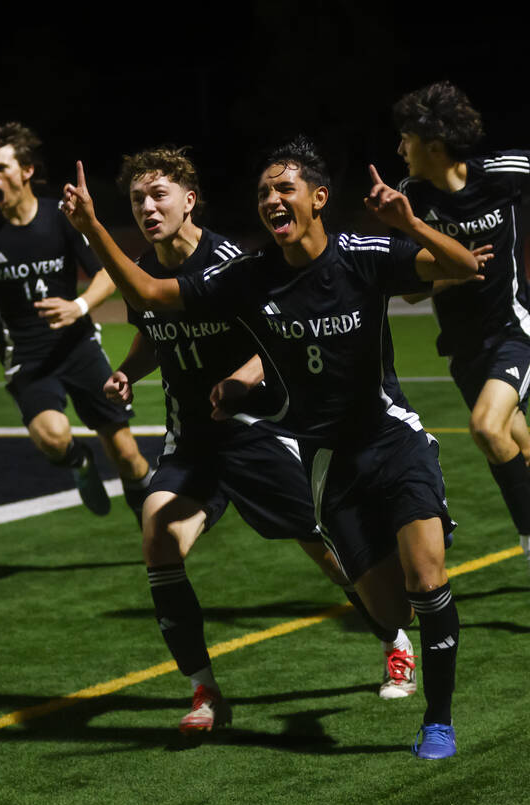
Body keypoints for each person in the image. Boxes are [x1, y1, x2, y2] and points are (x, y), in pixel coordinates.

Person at [61, 136, 479, 760]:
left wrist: (409, 223)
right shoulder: (222, 276)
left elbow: (463, 268)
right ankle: (206, 690)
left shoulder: (308, 259)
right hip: (257, 448)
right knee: (163, 536)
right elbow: (151, 308)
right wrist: (96, 237)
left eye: (284, 189)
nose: (272, 199)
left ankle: (417, 682)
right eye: (263, 192)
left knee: (386, 567)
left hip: (325, 435)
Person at [392, 80, 530, 599]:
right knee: (517, 452)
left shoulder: (498, 172)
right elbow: (407, 292)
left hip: (515, 330)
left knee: (483, 427)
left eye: (406, 138)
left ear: (433, 146)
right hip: (462, 345)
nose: (399, 148)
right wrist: (452, 273)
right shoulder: (410, 200)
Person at [0, 122, 152, 518]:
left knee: (128, 456)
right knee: (53, 438)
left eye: (1, 168)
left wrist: (78, 307)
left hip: (77, 347)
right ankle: (79, 462)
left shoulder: (62, 218)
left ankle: (152, 521)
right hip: (26, 356)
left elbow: (107, 272)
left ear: (26, 172)